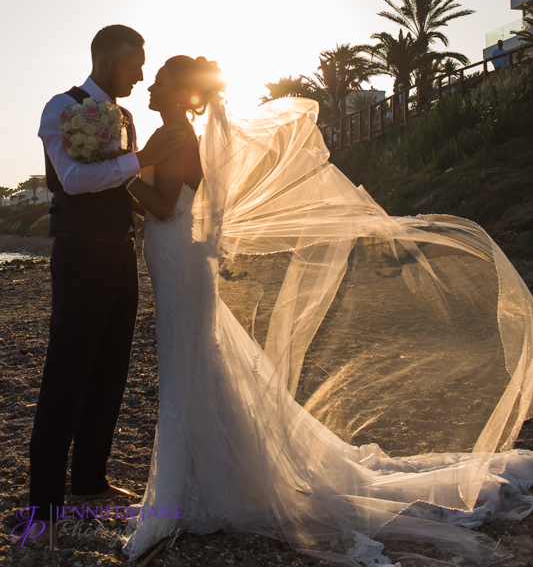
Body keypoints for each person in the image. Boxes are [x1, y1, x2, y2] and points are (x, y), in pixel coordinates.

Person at [120, 55, 533, 567]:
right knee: (194, 360)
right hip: (178, 257)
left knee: (187, 361)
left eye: (157, 82)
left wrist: (116, 171)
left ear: (179, 92)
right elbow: (167, 201)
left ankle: (191, 488)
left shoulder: (174, 136)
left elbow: (161, 205)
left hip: (177, 256)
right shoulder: (180, 134)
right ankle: (205, 475)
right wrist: (126, 173)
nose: (149, 90)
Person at [29, 25, 185, 547]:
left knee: (111, 372)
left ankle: (90, 483)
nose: (141, 74)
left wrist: (178, 210)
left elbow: (127, 187)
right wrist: (143, 159)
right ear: (103, 61)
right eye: (133, 64)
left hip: (121, 254)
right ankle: (43, 510)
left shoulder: (128, 119)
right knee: (66, 376)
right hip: (79, 257)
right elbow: (73, 179)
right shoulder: (60, 108)